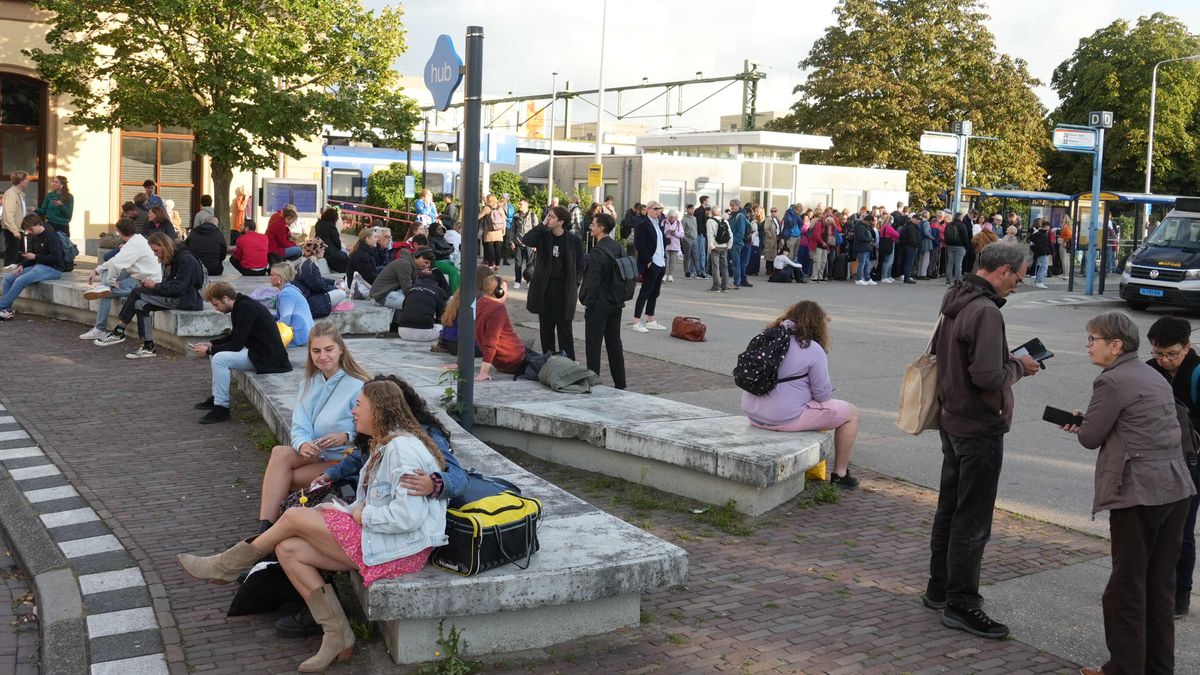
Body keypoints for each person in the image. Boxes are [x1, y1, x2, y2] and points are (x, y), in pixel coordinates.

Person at [177, 379, 448, 672]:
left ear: (379, 411)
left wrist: (360, 516)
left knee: (294, 517)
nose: (353, 411)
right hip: (383, 537)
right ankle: (338, 635)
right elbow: (372, 500)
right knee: (288, 548)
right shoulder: (383, 446)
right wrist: (352, 509)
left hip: (402, 549)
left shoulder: (402, 451)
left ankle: (226, 566)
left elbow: (407, 518)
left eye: (359, 405)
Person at [1063, 312, 1195, 675]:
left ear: (1116, 345)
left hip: (1140, 494)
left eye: (1093, 339)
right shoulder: (1151, 374)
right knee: (1159, 587)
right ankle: (1156, 667)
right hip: (1176, 489)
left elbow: (1091, 437)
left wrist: (1083, 423)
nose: (1088, 345)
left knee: (1126, 588)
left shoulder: (1112, 380)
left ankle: (1123, 668)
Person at [924, 241, 1040, 640]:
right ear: (1004, 270)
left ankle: (939, 589)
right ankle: (962, 603)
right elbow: (988, 377)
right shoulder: (986, 311)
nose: (1018, 286)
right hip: (978, 425)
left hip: (952, 418)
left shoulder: (956, 295)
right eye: (1020, 277)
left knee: (950, 508)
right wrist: (1019, 367)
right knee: (972, 520)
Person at [252, 322, 369, 535]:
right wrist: (302, 443)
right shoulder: (308, 383)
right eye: (316, 351)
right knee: (280, 453)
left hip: (345, 460)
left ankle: (266, 532)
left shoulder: (359, 385)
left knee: (280, 479)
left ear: (341, 349)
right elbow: (300, 425)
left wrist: (347, 435)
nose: (322, 356)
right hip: (316, 454)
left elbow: (374, 429)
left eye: (328, 349)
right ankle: (266, 529)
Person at [742, 300, 860, 488]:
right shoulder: (812, 349)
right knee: (851, 414)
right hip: (782, 418)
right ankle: (840, 473)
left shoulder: (767, 336)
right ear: (818, 324)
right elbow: (822, 395)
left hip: (753, 413)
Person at [1145, 316, 1200, 618]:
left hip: (1192, 462)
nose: (1164, 360)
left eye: (1171, 354)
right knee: (1154, 526)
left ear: (1188, 347)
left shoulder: (1197, 373)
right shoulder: (1148, 369)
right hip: (1157, 459)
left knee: (1183, 529)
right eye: (1158, 353)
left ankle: (1181, 594)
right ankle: (1154, 588)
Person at [191, 282, 293, 423]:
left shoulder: (245, 308)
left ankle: (221, 408)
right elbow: (235, 336)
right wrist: (211, 344)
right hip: (260, 352)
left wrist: (209, 350)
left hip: (268, 358)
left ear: (225, 298)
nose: (216, 309)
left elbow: (236, 345)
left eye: (216, 305)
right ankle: (216, 398)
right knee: (216, 354)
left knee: (219, 358)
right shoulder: (241, 305)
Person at [92, 232, 205, 358]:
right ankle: (148, 346)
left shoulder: (185, 259)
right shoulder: (175, 257)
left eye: (156, 250)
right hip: (179, 296)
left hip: (185, 299)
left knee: (137, 293)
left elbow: (179, 288)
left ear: (164, 246)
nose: (155, 254)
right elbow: (172, 284)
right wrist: (153, 285)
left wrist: (155, 286)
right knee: (141, 304)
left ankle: (119, 331)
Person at [79, 218, 162, 340]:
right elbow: (114, 260)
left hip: (144, 282)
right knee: (106, 272)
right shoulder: (137, 240)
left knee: (104, 294)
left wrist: (112, 282)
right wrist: (97, 270)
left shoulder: (134, 244)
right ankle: (104, 286)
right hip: (138, 276)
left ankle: (100, 329)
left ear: (120, 232)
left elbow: (116, 264)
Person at [523, 204, 583, 357]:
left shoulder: (573, 240)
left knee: (564, 328)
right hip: (545, 289)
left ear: (561, 221)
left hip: (564, 290)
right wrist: (542, 224)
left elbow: (580, 266)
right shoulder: (544, 236)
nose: (548, 219)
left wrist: (575, 282)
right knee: (546, 328)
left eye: (552, 217)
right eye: (548, 216)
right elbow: (527, 239)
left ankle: (568, 361)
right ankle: (548, 359)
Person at [579, 213, 627, 389]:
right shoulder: (619, 248)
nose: (590, 227)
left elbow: (593, 281)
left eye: (593, 224)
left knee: (593, 345)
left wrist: (587, 300)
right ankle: (620, 384)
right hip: (616, 302)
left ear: (602, 228)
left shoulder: (598, 251)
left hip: (599, 304)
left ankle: (594, 382)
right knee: (615, 344)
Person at [0, 215, 65, 321]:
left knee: (20, 280)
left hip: (53, 269)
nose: (29, 232)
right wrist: (22, 265)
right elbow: (31, 257)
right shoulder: (33, 237)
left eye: (31, 229)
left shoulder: (52, 237)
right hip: (37, 266)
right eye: (27, 230)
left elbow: (57, 259)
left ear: (39, 225)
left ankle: (1, 307)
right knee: (9, 279)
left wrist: (36, 257)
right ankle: (5, 310)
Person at [474, 271, 526, 381]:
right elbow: (491, 342)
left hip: (502, 361)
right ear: (499, 292)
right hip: (514, 359)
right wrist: (483, 373)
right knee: (556, 363)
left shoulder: (479, 303)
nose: (507, 294)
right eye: (506, 290)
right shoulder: (497, 309)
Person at [629, 201, 668, 333]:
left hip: (660, 262)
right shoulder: (643, 224)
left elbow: (662, 242)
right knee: (645, 292)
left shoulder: (658, 224)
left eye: (660, 209)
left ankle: (650, 319)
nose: (659, 211)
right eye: (656, 209)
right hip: (652, 262)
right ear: (648, 210)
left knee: (655, 293)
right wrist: (648, 261)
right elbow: (639, 245)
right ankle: (636, 321)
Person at [369, 246, 433, 321]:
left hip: (388, 292)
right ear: (420, 257)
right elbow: (407, 289)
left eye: (428, 264)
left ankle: (400, 324)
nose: (426, 266)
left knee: (418, 300)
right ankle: (409, 326)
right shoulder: (405, 264)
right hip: (380, 296)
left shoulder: (412, 265)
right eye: (426, 262)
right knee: (414, 303)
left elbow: (414, 286)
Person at [294, 239, 348, 319]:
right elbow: (318, 286)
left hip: (307, 296)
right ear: (316, 251)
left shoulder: (306, 263)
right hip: (310, 300)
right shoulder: (310, 266)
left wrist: (334, 282)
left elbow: (317, 280)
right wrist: (335, 288)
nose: (324, 250)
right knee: (341, 293)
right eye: (322, 248)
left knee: (338, 291)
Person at [270, 263, 315, 348]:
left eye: (272, 275)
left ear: (281, 278)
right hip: (303, 332)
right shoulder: (290, 290)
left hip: (299, 336)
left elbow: (285, 321)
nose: (270, 278)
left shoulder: (286, 293)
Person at [397, 275, 448, 342]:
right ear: (436, 283)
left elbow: (403, 308)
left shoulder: (410, 289)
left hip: (402, 333)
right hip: (425, 334)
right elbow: (441, 315)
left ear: (420, 280)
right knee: (444, 328)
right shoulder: (440, 291)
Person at [1, 171, 30, 269]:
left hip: (18, 229)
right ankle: (6, 279)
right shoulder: (11, 194)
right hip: (13, 230)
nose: (28, 181)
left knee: (19, 257)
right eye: (26, 179)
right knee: (11, 258)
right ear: (21, 181)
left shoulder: (19, 194)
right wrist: (14, 231)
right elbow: (8, 214)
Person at [313, 208, 348, 274]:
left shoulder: (318, 224)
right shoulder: (331, 227)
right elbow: (337, 243)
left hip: (321, 249)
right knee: (345, 255)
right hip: (330, 253)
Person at [511, 199, 536, 289]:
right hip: (518, 243)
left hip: (529, 244)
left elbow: (536, 230)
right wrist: (511, 241)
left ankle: (529, 280)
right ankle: (517, 281)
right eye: (519, 204)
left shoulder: (533, 216)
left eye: (521, 204)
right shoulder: (516, 216)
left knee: (530, 264)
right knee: (518, 263)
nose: (519, 205)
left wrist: (536, 244)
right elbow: (513, 229)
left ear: (526, 204)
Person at [346, 227, 380, 291]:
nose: (377, 239)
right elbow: (369, 277)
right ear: (367, 239)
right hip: (358, 288)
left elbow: (372, 271)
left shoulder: (366, 251)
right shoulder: (361, 255)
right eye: (375, 237)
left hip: (364, 284)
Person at [706, 207, 731, 292]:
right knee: (724, 267)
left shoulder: (710, 221)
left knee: (715, 267)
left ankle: (716, 286)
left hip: (715, 247)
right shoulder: (725, 221)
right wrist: (729, 245)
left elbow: (710, 234)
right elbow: (730, 234)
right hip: (724, 246)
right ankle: (725, 286)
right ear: (719, 213)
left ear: (712, 213)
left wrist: (711, 246)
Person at [728, 200, 752, 288]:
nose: (732, 207)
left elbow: (741, 232)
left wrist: (734, 242)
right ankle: (737, 281)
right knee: (735, 263)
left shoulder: (740, 216)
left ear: (738, 206)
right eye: (731, 206)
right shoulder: (733, 216)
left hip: (737, 243)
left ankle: (736, 283)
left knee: (736, 263)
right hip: (734, 242)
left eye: (733, 205)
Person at [943, 212, 969, 285]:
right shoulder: (962, 225)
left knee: (950, 263)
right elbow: (965, 237)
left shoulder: (949, 224)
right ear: (960, 217)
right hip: (960, 247)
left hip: (949, 246)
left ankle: (948, 281)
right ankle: (957, 281)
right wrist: (966, 247)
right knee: (958, 264)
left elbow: (945, 235)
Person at [481, 194, 504, 268]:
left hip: (489, 232)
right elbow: (504, 220)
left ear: (488, 199)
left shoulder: (487, 208)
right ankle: (497, 265)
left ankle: (490, 266)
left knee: (490, 250)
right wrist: (504, 230)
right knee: (498, 250)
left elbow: (479, 216)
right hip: (499, 231)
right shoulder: (500, 208)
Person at [853, 214, 877, 286]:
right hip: (862, 248)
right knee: (862, 263)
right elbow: (861, 237)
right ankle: (859, 278)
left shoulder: (864, 226)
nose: (870, 224)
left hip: (865, 247)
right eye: (870, 222)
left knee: (866, 264)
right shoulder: (860, 227)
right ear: (867, 221)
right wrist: (870, 239)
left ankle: (867, 278)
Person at [662, 209, 684, 283]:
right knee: (666, 261)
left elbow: (681, 235)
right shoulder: (664, 222)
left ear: (676, 217)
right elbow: (661, 232)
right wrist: (666, 232)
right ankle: (664, 274)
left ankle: (670, 274)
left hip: (675, 245)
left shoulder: (678, 223)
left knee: (672, 261)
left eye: (673, 217)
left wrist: (675, 233)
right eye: (670, 217)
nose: (671, 218)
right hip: (666, 245)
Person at [1029, 219, 1053, 289]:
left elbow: (1032, 239)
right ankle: (1039, 281)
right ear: (1045, 226)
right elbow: (1043, 244)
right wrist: (1046, 251)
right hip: (1042, 252)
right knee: (1044, 267)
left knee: (1041, 266)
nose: (1049, 228)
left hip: (1039, 252)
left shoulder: (1039, 233)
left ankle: (1038, 281)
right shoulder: (1042, 234)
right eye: (1048, 226)